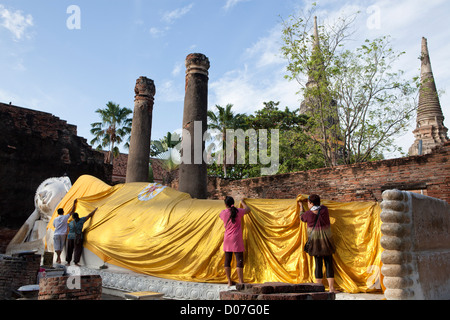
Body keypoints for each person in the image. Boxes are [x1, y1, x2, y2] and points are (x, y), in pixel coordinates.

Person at [300, 194, 339, 293]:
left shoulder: (308, 214)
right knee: (329, 264)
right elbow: (321, 205)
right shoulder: (324, 210)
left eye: (308, 202)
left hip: (315, 242)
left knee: (318, 264)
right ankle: (331, 288)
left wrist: (301, 206)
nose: (308, 204)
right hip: (326, 241)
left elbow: (301, 217)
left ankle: (319, 288)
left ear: (311, 203)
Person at [219, 196, 250, 286]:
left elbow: (220, 216)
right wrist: (242, 202)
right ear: (233, 203)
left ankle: (229, 281)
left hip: (227, 238)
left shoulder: (223, 213)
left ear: (225, 204)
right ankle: (241, 281)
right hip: (236, 238)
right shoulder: (238, 211)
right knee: (239, 259)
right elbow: (248, 209)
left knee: (227, 260)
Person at [53, 199, 77, 264]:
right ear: (63, 212)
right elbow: (72, 211)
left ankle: (58, 258)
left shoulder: (55, 219)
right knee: (61, 247)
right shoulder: (65, 217)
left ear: (58, 213)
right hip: (63, 234)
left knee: (57, 247)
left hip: (56, 233)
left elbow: (54, 226)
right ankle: (59, 258)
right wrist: (74, 203)